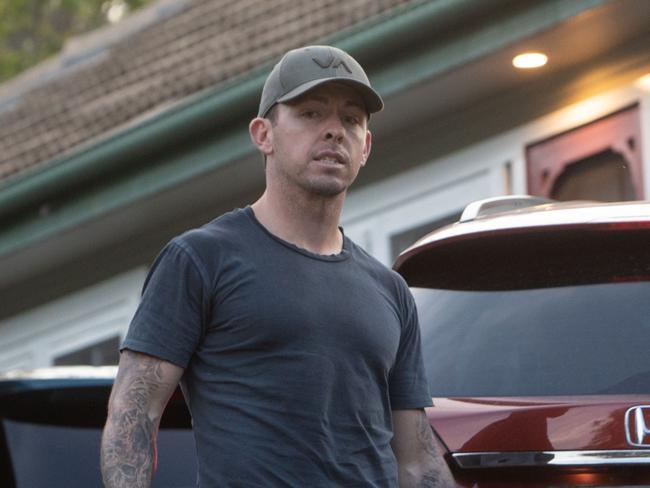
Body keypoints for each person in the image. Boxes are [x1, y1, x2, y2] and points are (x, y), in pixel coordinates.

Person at [100, 45, 454, 487]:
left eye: (350, 119)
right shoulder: (200, 260)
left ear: (365, 146)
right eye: (310, 114)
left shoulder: (390, 291)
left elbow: (418, 461)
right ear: (263, 134)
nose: (333, 132)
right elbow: (133, 415)